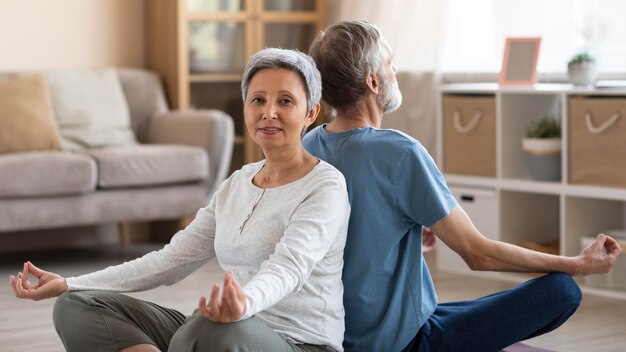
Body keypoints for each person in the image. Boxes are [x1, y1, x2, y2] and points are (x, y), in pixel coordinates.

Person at [303, 20, 622, 352]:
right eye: (389, 63)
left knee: (451, 309)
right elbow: (478, 254)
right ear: (373, 81)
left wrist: (403, 236)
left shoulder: (309, 145)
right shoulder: (400, 152)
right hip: (405, 343)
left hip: (338, 336)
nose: (394, 70)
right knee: (563, 291)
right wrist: (578, 264)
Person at [9, 48, 350, 352]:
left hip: (296, 342)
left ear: (311, 112)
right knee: (76, 306)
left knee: (207, 328)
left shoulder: (324, 186)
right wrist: (70, 283)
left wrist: (242, 305)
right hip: (228, 328)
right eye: (258, 100)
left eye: (285, 101)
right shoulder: (237, 183)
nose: (269, 112)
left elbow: (289, 268)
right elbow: (170, 260)